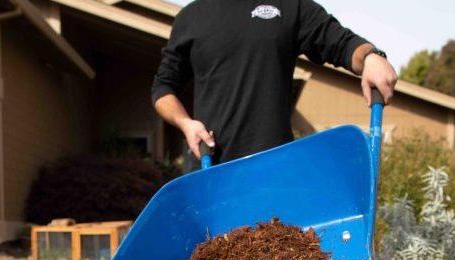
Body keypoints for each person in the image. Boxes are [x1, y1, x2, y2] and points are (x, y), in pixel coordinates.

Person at [151, 0, 398, 164]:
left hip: (276, 170)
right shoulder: (192, 17)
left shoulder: (289, 6)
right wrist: (186, 124)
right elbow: (163, 88)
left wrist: (371, 56)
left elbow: (343, 44)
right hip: (211, 170)